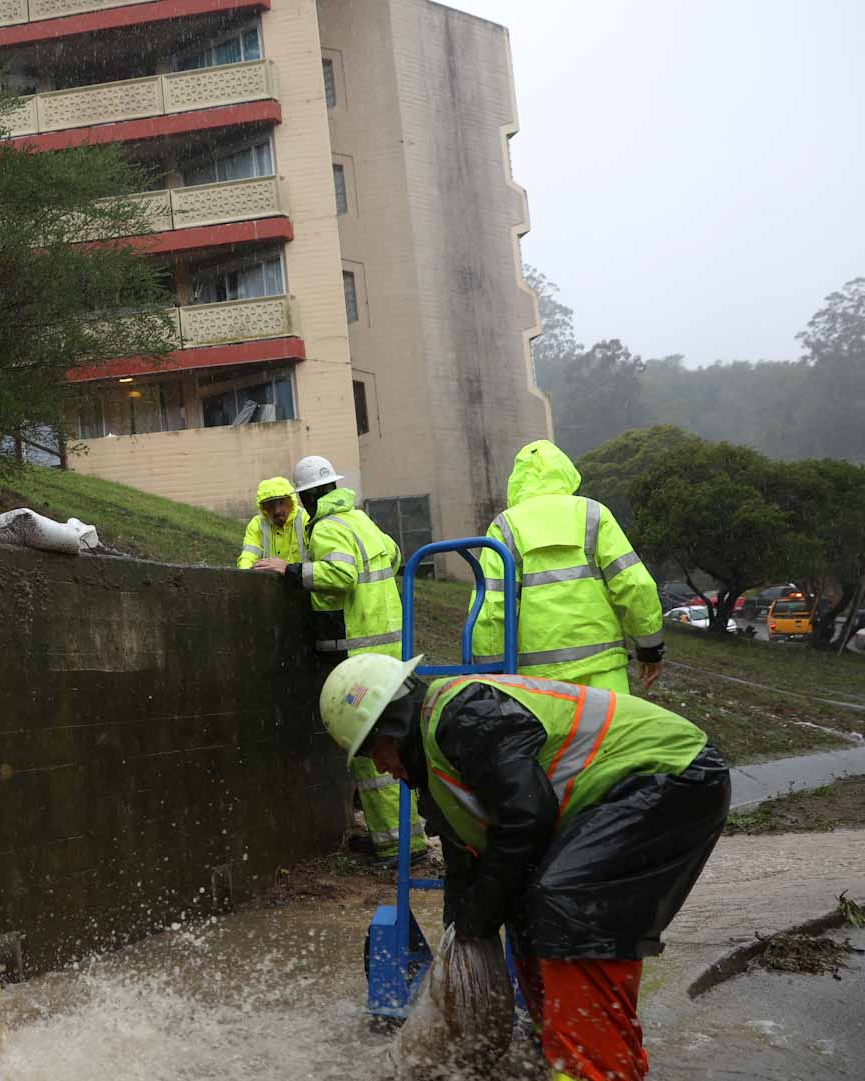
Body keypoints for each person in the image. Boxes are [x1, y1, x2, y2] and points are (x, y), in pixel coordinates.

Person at [318, 652, 729, 1081]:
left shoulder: (465, 717)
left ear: (393, 726)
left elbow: (526, 817)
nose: (380, 765)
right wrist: (461, 940)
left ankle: (597, 1070)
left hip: (672, 774)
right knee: (522, 903)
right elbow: (469, 868)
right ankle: (553, 1049)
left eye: (373, 751)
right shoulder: (439, 762)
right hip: (633, 789)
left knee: (568, 902)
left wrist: (478, 918)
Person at [253, 454, 424, 863]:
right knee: (398, 748)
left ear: (309, 497)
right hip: (388, 647)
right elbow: (395, 556)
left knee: (373, 756)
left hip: (360, 651)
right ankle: (408, 840)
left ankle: (396, 847)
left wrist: (292, 570)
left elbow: (340, 577)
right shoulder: (361, 520)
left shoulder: (327, 527)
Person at [472, 440, 665, 693]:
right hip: (603, 672)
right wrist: (650, 649)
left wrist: (491, 671)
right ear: (566, 472)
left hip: (537, 683)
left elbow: (491, 606)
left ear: (517, 480)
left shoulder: (505, 526)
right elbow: (634, 584)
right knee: (608, 732)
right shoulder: (594, 514)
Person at [236, 476, 304, 570]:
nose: (277, 511)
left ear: (291, 501)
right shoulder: (257, 524)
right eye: (270, 506)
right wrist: (245, 575)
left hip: (302, 582)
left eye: (281, 503)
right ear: (264, 508)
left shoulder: (306, 519)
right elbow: (248, 556)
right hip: (269, 582)